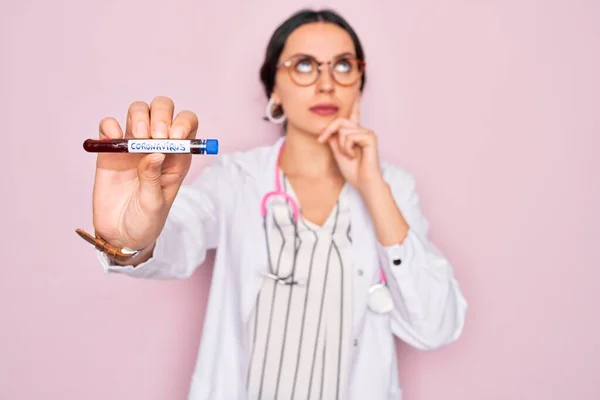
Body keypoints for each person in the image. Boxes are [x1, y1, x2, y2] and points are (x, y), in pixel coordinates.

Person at [77, 8, 468, 400]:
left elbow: (435, 324)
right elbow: (180, 232)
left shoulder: (393, 188)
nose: (327, 82)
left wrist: (372, 185)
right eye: (303, 65)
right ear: (274, 89)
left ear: (359, 84)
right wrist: (129, 241)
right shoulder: (238, 179)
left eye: (344, 66)